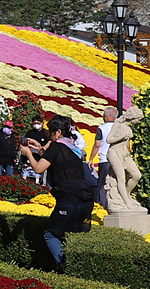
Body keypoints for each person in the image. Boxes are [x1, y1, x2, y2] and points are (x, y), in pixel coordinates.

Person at [23, 114, 97, 273]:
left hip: (69, 197)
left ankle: (63, 267)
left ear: (58, 132)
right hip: (85, 197)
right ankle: (74, 267)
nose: (48, 135)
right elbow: (55, 159)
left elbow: (38, 169)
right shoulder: (72, 148)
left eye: (50, 131)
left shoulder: (56, 146)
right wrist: (39, 148)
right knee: (69, 234)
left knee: (51, 234)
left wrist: (28, 153)